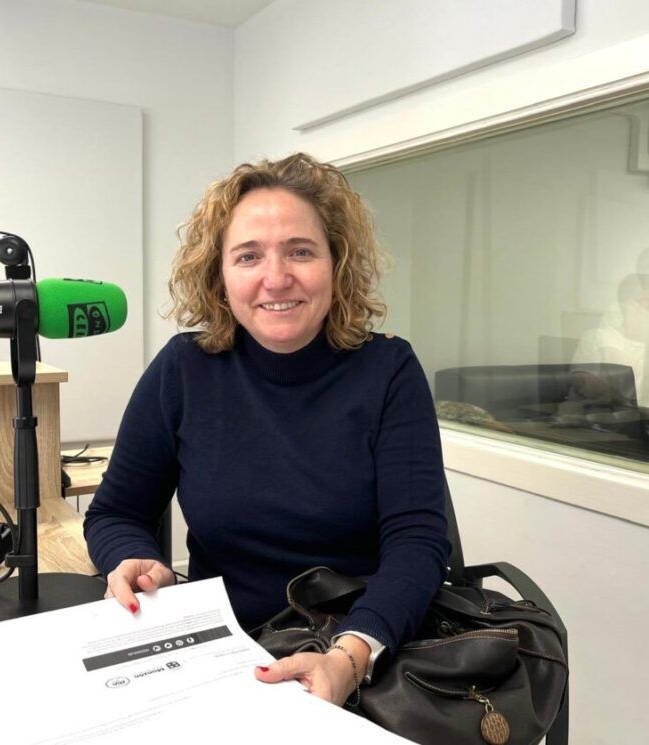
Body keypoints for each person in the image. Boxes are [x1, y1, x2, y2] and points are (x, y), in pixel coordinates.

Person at [83, 153, 450, 707]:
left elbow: (418, 541)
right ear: (219, 275)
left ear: (336, 263)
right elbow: (116, 512)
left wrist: (349, 658)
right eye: (248, 256)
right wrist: (134, 557)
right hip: (221, 654)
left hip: (356, 651)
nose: (276, 278)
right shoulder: (184, 370)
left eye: (300, 251)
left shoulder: (389, 371)